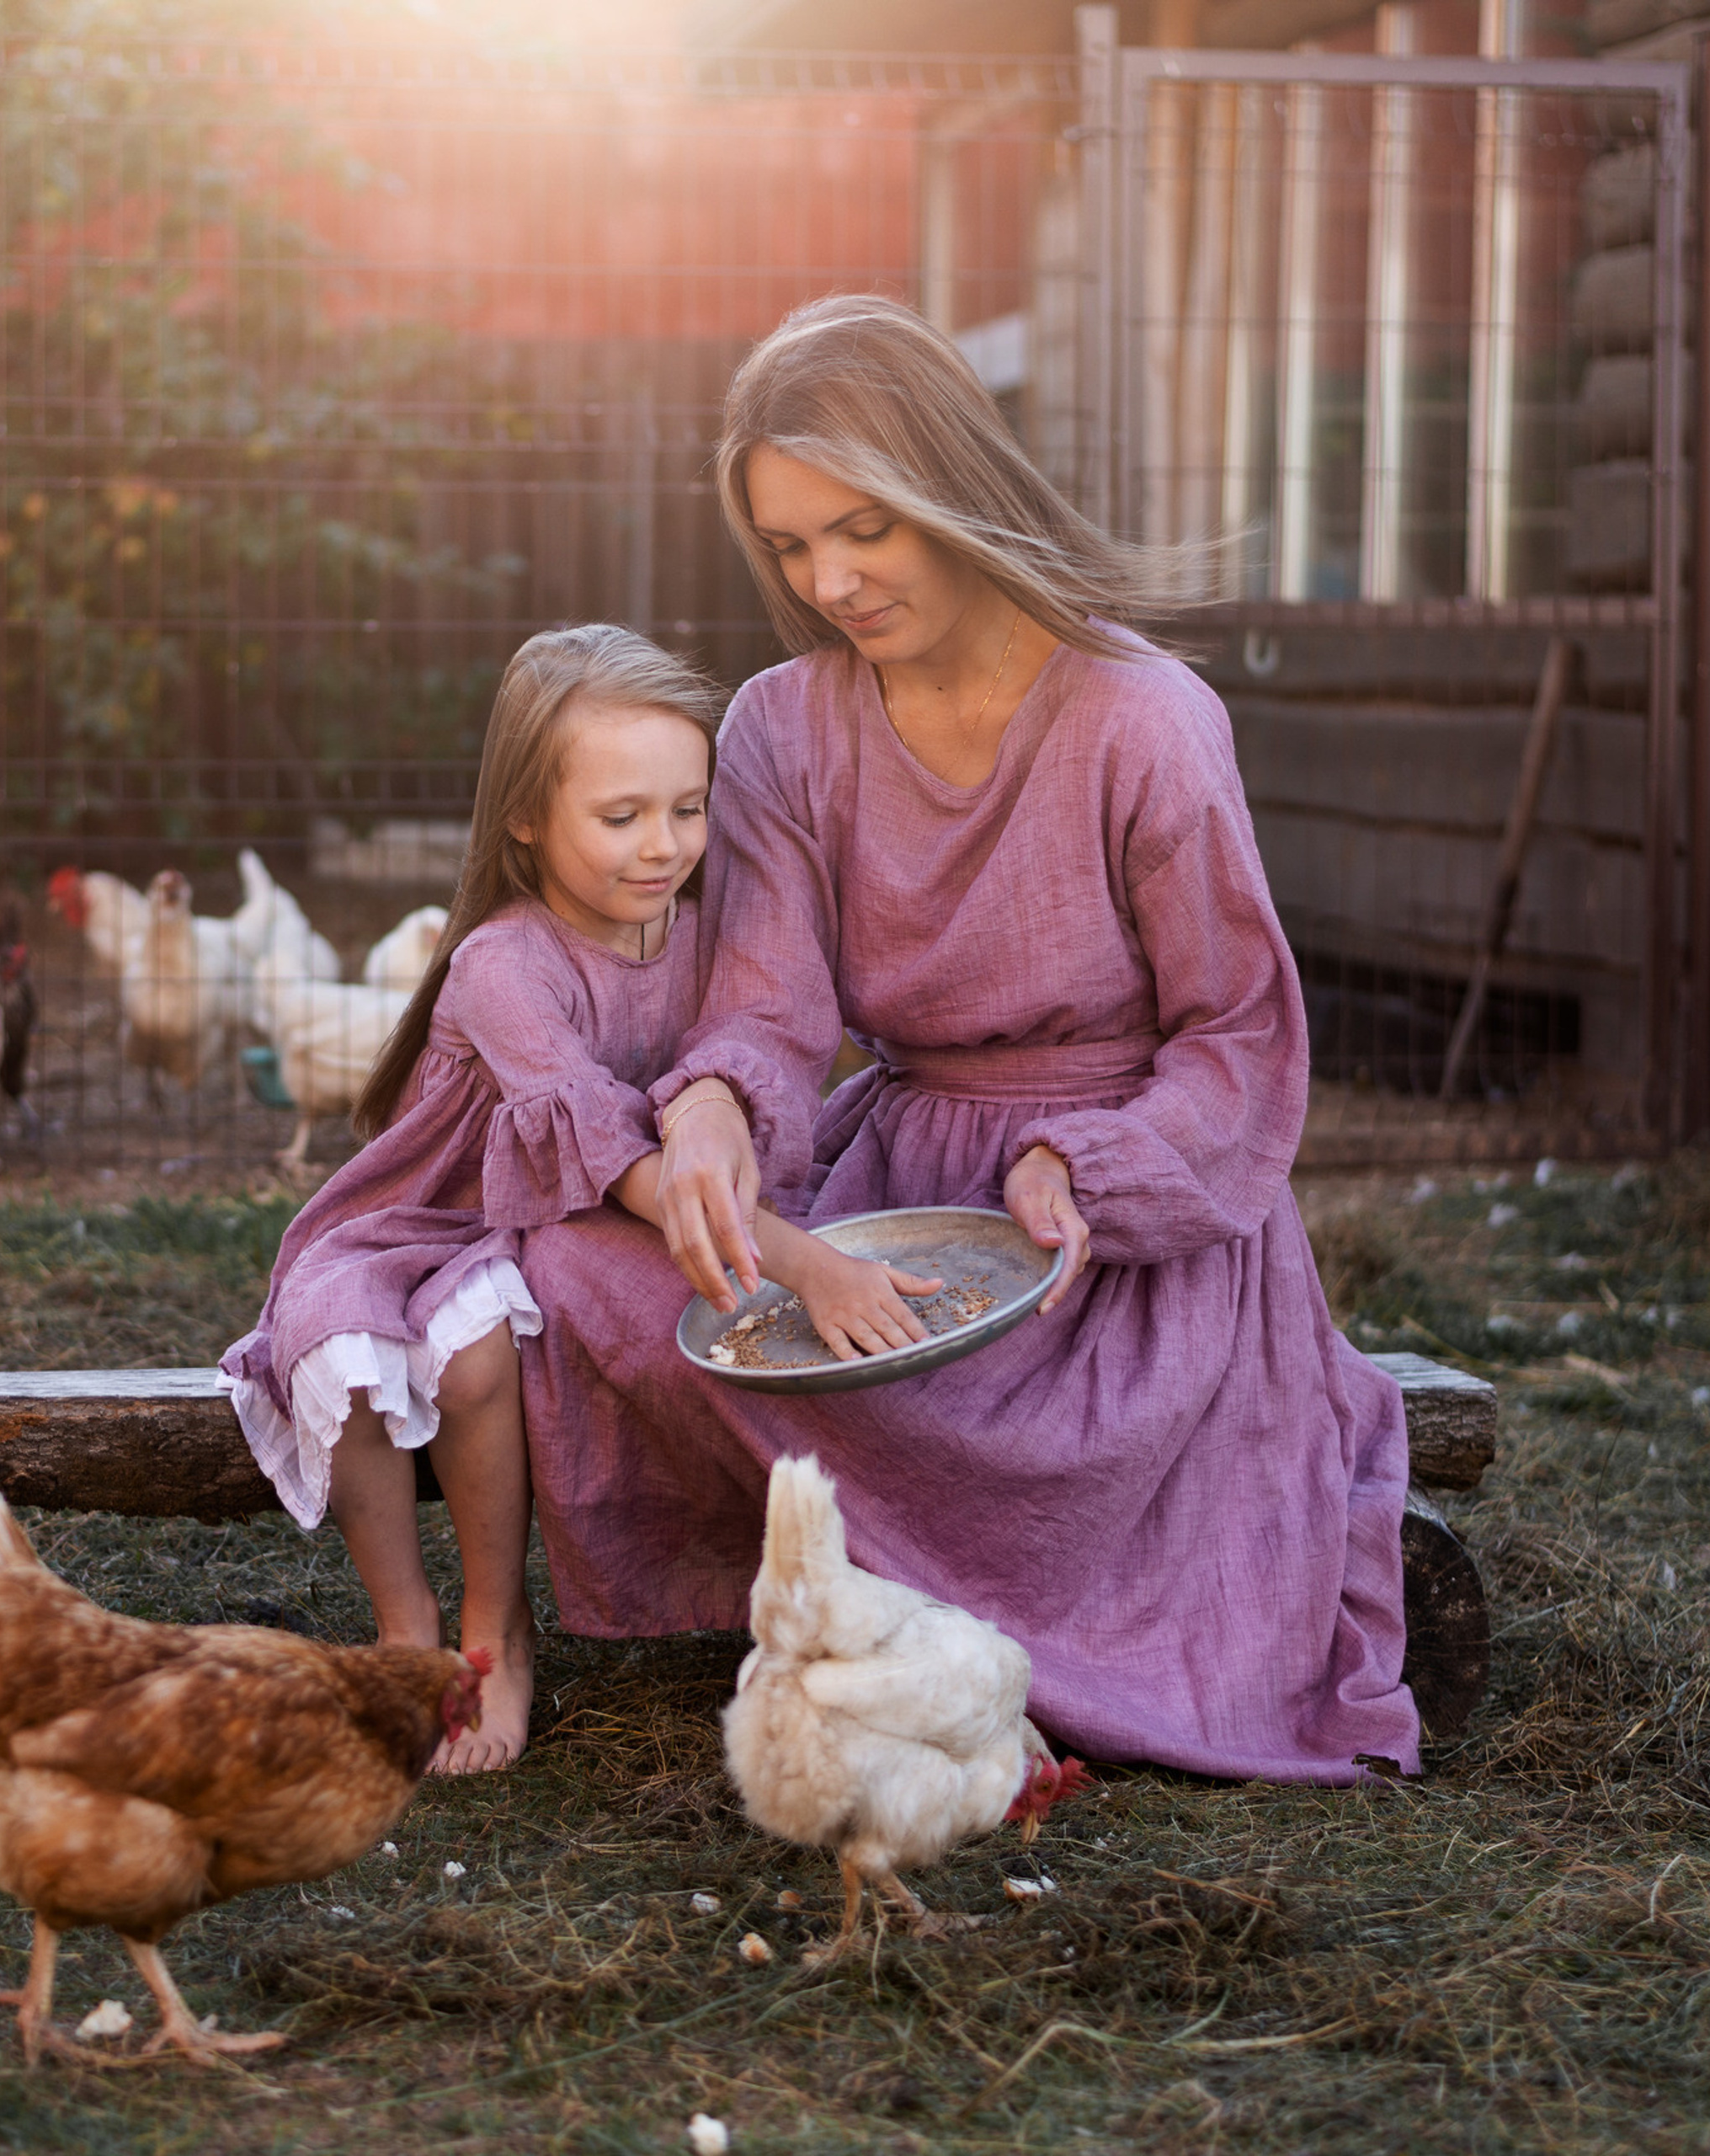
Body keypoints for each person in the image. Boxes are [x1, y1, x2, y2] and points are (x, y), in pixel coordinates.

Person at [518, 296, 1425, 1785]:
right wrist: (713, 1118)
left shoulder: (1146, 721)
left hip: (1109, 1233)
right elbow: (763, 1007)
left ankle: (967, 1602)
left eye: (862, 527)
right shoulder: (777, 729)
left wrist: (1093, 1161)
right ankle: (883, 1582)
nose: (830, 580)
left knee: (980, 1407)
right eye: (793, 546)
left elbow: (1238, 1038)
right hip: (895, 1176)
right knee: (583, 1269)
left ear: (953, 482)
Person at [220, 623, 930, 1772]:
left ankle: (497, 1629)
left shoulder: (704, 939)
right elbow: (617, 1158)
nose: (664, 846)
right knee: (347, 1349)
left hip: (567, 1221)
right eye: (623, 817)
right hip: (433, 1218)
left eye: (687, 809)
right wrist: (811, 1266)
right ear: (524, 818)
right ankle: (411, 1639)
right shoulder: (502, 965)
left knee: (480, 1355)